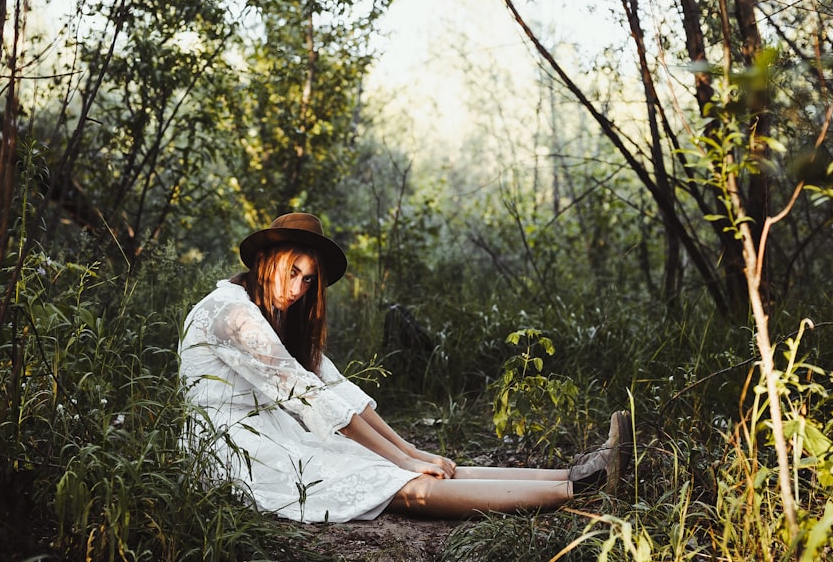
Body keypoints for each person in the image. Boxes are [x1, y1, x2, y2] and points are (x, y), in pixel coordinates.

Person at [178, 213, 633, 523]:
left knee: (429, 468)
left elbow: (336, 388)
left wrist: (412, 451)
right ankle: (581, 490)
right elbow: (310, 396)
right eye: (292, 272)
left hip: (272, 431)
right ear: (265, 261)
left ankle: (579, 471)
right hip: (230, 448)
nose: (298, 289)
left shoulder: (269, 317)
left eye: (308, 279)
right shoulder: (231, 312)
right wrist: (403, 462)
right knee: (399, 484)